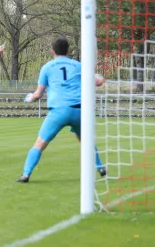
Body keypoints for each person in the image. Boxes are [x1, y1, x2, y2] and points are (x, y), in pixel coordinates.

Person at [16, 38, 106, 183]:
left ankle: (26, 174)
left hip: (59, 111)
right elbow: (98, 82)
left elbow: (38, 94)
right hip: (79, 111)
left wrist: (29, 98)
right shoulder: (78, 65)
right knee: (85, 141)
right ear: (68, 51)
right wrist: (99, 78)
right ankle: (100, 167)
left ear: (52, 51)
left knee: (39, 144)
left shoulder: (47, 67)